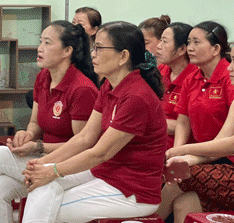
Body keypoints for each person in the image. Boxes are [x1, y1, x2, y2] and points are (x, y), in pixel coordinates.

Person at [20, 21, 167, 223]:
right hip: (106, 173)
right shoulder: (109, 85)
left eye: (99, 48)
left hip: (132, 190)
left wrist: (53, 170)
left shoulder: (136, 97)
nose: (93, 53)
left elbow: (101, 152)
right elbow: (85, 138)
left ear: (123, 56)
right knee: (42, 187)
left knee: (50, 207)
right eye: (93, 47)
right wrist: (42, 164)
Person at [0, 21, 99, 223]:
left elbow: (83, 145)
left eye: (47, 43)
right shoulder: (43, 77)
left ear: (67, 51)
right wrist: (27, 135)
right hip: (45, 156)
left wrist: (38, 146)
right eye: (40, 41)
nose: (40, 48)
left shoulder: (82, 89)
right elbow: (35, 123)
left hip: (72, 165)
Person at [157, 21, 233, 223]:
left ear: (216, 49)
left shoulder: (227, 78)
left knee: (181, 174)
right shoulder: (193, 78)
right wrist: (179, 153)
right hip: (206, 155)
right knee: (185, 203)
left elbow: (227, 144)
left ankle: (146, 220)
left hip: (224, 160)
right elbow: (183, 122)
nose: (189, 48)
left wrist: (183, 154)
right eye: (188, 42)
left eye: (196, 42)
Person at [155, 22, 200, 150]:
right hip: (154, 144)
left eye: (164, 41)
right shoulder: (160, 71)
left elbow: (192, 127)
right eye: (160, 41)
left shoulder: (196, 77)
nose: (158, 46)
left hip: (179, 149)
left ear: (182, 49)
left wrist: (149, 121)